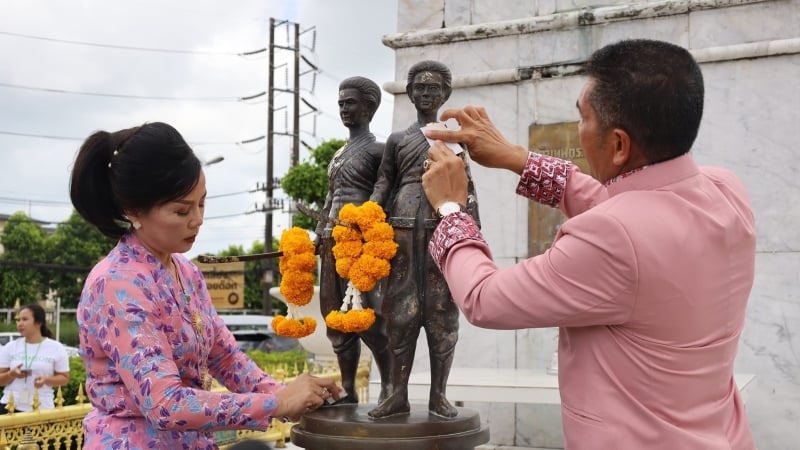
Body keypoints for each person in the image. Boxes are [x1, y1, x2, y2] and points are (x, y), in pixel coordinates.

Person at [421, 39, 756, 449]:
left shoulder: (611, 238)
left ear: (618, 145)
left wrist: (451, 208)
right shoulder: (725, 189)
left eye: (582, 118)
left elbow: (483, 297)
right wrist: (517, 158)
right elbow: (635, 212)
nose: (579, 130)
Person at [69, 122, 342, 449]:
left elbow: (225, 357)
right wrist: (276, 404)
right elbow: (165, 404)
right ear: (133, 211)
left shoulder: (186, 271)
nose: (197, 219)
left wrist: (289, 393)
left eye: (202, 204)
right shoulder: (116, 284)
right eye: (182, 210)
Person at [368, 60, 480, 419]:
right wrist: (368, 214)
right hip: (400, 233)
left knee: (442, 313)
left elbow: (467, 186)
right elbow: (384, 182)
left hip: (441, 229)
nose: (426, 94)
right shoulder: (398, 140)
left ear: (444, 93)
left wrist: (471, 229)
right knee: (399, 313)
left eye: (433, 88)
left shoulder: (453, 139)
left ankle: (439, 395)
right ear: (410, 92)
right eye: (419, 87)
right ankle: (397, 394)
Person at [315, 76, 392, 404]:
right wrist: (319, 233)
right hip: (332, 241)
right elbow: (331, 196)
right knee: (336, 318)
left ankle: (390, 386)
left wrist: (367, 222)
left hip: (359, 243)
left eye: (351, 102)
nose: (344, 108)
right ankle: (348, 390)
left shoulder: (379, 150)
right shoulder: (339, 153)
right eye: (341, 103)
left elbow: (384, 191)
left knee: (367, 318)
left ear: (370, 107)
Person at [0, 303, 70, 413]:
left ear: (38, 323)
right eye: (18, 320)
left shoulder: (56, 347)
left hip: (41, 407)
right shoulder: (10, 347)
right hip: (10, 407)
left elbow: (64, 378)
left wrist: (47, 380)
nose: (20, 323)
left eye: (24, 319)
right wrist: (11, 374)